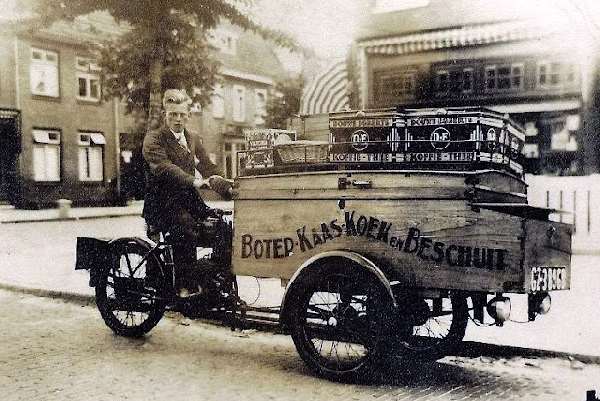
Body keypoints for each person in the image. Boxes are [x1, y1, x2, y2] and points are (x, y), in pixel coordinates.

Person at [142, 89, 232, 297]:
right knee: (186, 228)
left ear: (188, 116)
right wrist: (195, 182)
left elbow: (208, 166)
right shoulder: (154, 139)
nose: (178, 119)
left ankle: (215, 282)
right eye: (173, 114)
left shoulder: (192, 139)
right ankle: (185, 286)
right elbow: (164, 168)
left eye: (182, 114)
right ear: (166, 114)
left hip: (188, 202)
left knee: (221, 225)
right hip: (162, 204)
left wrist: (227, 184)